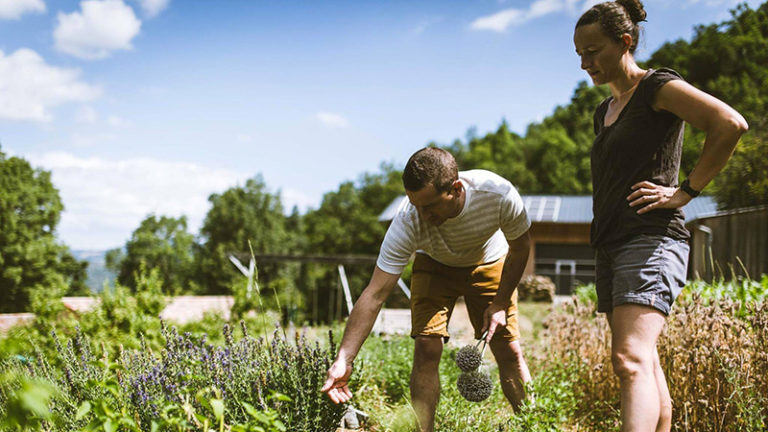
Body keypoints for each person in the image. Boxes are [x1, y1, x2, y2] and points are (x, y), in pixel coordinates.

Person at [573, 1, 749, 431]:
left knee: (629, 360)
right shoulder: (604, 111)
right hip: (613, 243)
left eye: (593, 51)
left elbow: (729, 123)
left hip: (650, 238)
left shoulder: (657, 87)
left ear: (625, 42)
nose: (585, 63)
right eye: (579, 54)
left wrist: (685, 191)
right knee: (644, 362)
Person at [321, 147, 533, 432]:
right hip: (434, 265)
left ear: (456, 189)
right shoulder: (408, 220)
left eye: (430, 206)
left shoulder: (498, 195)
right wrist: (344, 359)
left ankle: (535, 423)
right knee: (426, 346)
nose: (422, 214)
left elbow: (521, 248)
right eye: (415, 204)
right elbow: (375, 294)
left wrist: (500, 303)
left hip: (489, 261)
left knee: (508, 349)